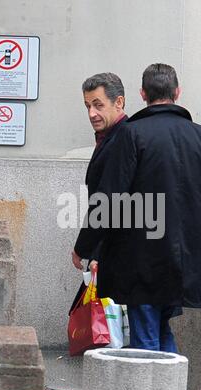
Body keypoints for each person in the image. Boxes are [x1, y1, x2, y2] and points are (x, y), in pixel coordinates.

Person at [72, 64, 201, 390]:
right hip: (185, 261)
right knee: (160, 333)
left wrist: (84, 247)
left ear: (141, 94)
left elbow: (109, 201)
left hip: (141, 260)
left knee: (144, 340)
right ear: (178, 92)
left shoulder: (131, 134)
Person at [70, 72, 128, 313]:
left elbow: (110, 201)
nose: (91, 113)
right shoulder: (111, 136)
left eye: (98, 105)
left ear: (119, 103)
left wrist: (88, 251)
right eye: (87, 106)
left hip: (118, 251)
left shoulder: (123, 138)